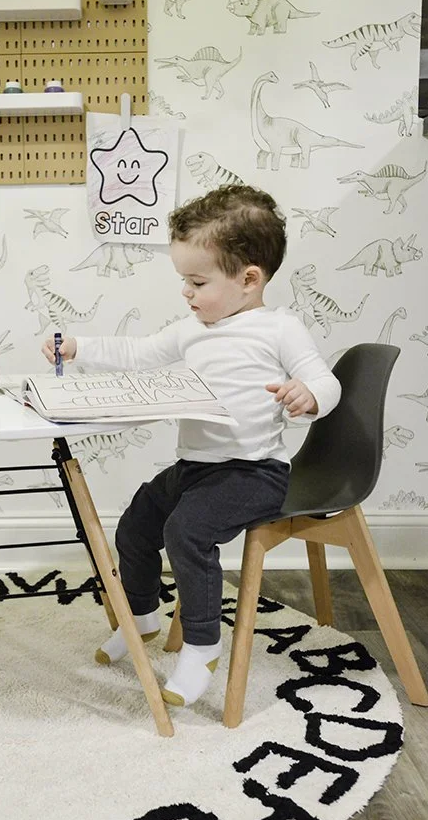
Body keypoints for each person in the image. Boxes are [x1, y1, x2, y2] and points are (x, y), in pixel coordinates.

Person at [42, 184, 341, 708]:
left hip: (254, 472)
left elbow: (327, 381)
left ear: (249, 280)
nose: (187, 292)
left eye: (198, 281)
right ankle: (141, 618)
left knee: (187, 531)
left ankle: (202, 646)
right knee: (135, 522)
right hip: (196, 468)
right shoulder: (192, 329)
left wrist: (308, 394)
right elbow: (138, 353)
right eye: (184, 280)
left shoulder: (278, 328)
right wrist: (78, 345)